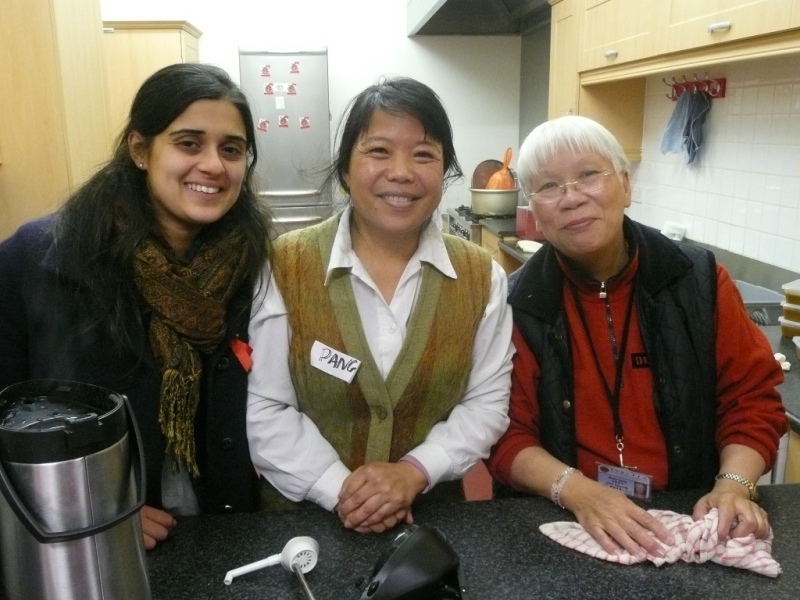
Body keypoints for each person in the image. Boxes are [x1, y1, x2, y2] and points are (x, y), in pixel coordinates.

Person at [487, 115, 788, 560]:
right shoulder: (519, 302)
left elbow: (751, 396)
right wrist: (581, 493)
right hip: (567, 518)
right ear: (533, 208)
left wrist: (733, 485)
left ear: (625, 185)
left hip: (689, 509)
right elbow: (504, 433)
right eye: (549, 186)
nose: (571, 198)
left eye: (588, 175)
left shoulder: (697, 280)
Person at [0, 63, 271, 549]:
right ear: (140, 149)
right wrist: (95, 508)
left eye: (231, 149)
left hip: (223, 528)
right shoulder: (40, 257)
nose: (213, 164)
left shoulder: (253, 266)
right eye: (189, 143)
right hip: (82, 541)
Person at [247, 76, 514, 533]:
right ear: (346, 169)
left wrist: (415, 471)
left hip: (432, 522)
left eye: (424, 154)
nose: (402, 172)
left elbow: (486, 403)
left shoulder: (479, 275)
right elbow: (266, 407)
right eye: (378, 151)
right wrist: (344, 493)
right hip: (304, 526)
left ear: (445, 173)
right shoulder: (285, 265)